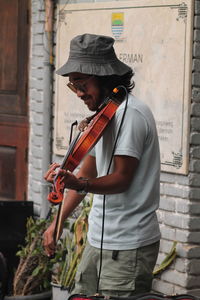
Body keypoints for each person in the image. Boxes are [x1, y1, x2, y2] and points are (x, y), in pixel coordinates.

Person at [43, 33, 161, 297]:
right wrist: (58, 222)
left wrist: (78, 182)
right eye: (72, 86)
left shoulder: (130, 115)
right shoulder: (104, 117)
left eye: (82, 83)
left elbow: (121, 179)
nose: (78, 93)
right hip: (98, 240)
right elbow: (86, 172)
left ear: (105, 78)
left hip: (128, 245)